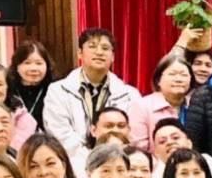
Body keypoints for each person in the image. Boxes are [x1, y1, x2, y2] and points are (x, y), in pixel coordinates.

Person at [43, 28, 143, 165]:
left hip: (118, 162)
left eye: (105, 48)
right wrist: (91, 159)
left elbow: (134, 134)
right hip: (72, 163)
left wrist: (111, 158)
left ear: (113, 56)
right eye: (92, 46)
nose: (99, 52)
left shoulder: (130, 94)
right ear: (80, 53)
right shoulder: (58, 91)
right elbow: (59, 133)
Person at [131, 53, 193, 151]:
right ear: (158, 80)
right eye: (172, 74)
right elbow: (138, 149)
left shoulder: (195, 105)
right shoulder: (142, 106)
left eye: (184, 75)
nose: (179, 79)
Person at [8, 40, 55, 134]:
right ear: (16, 66)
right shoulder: (8, 90)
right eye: (27, 63)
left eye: (39, 63)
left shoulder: (55, 90)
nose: (33, 68)